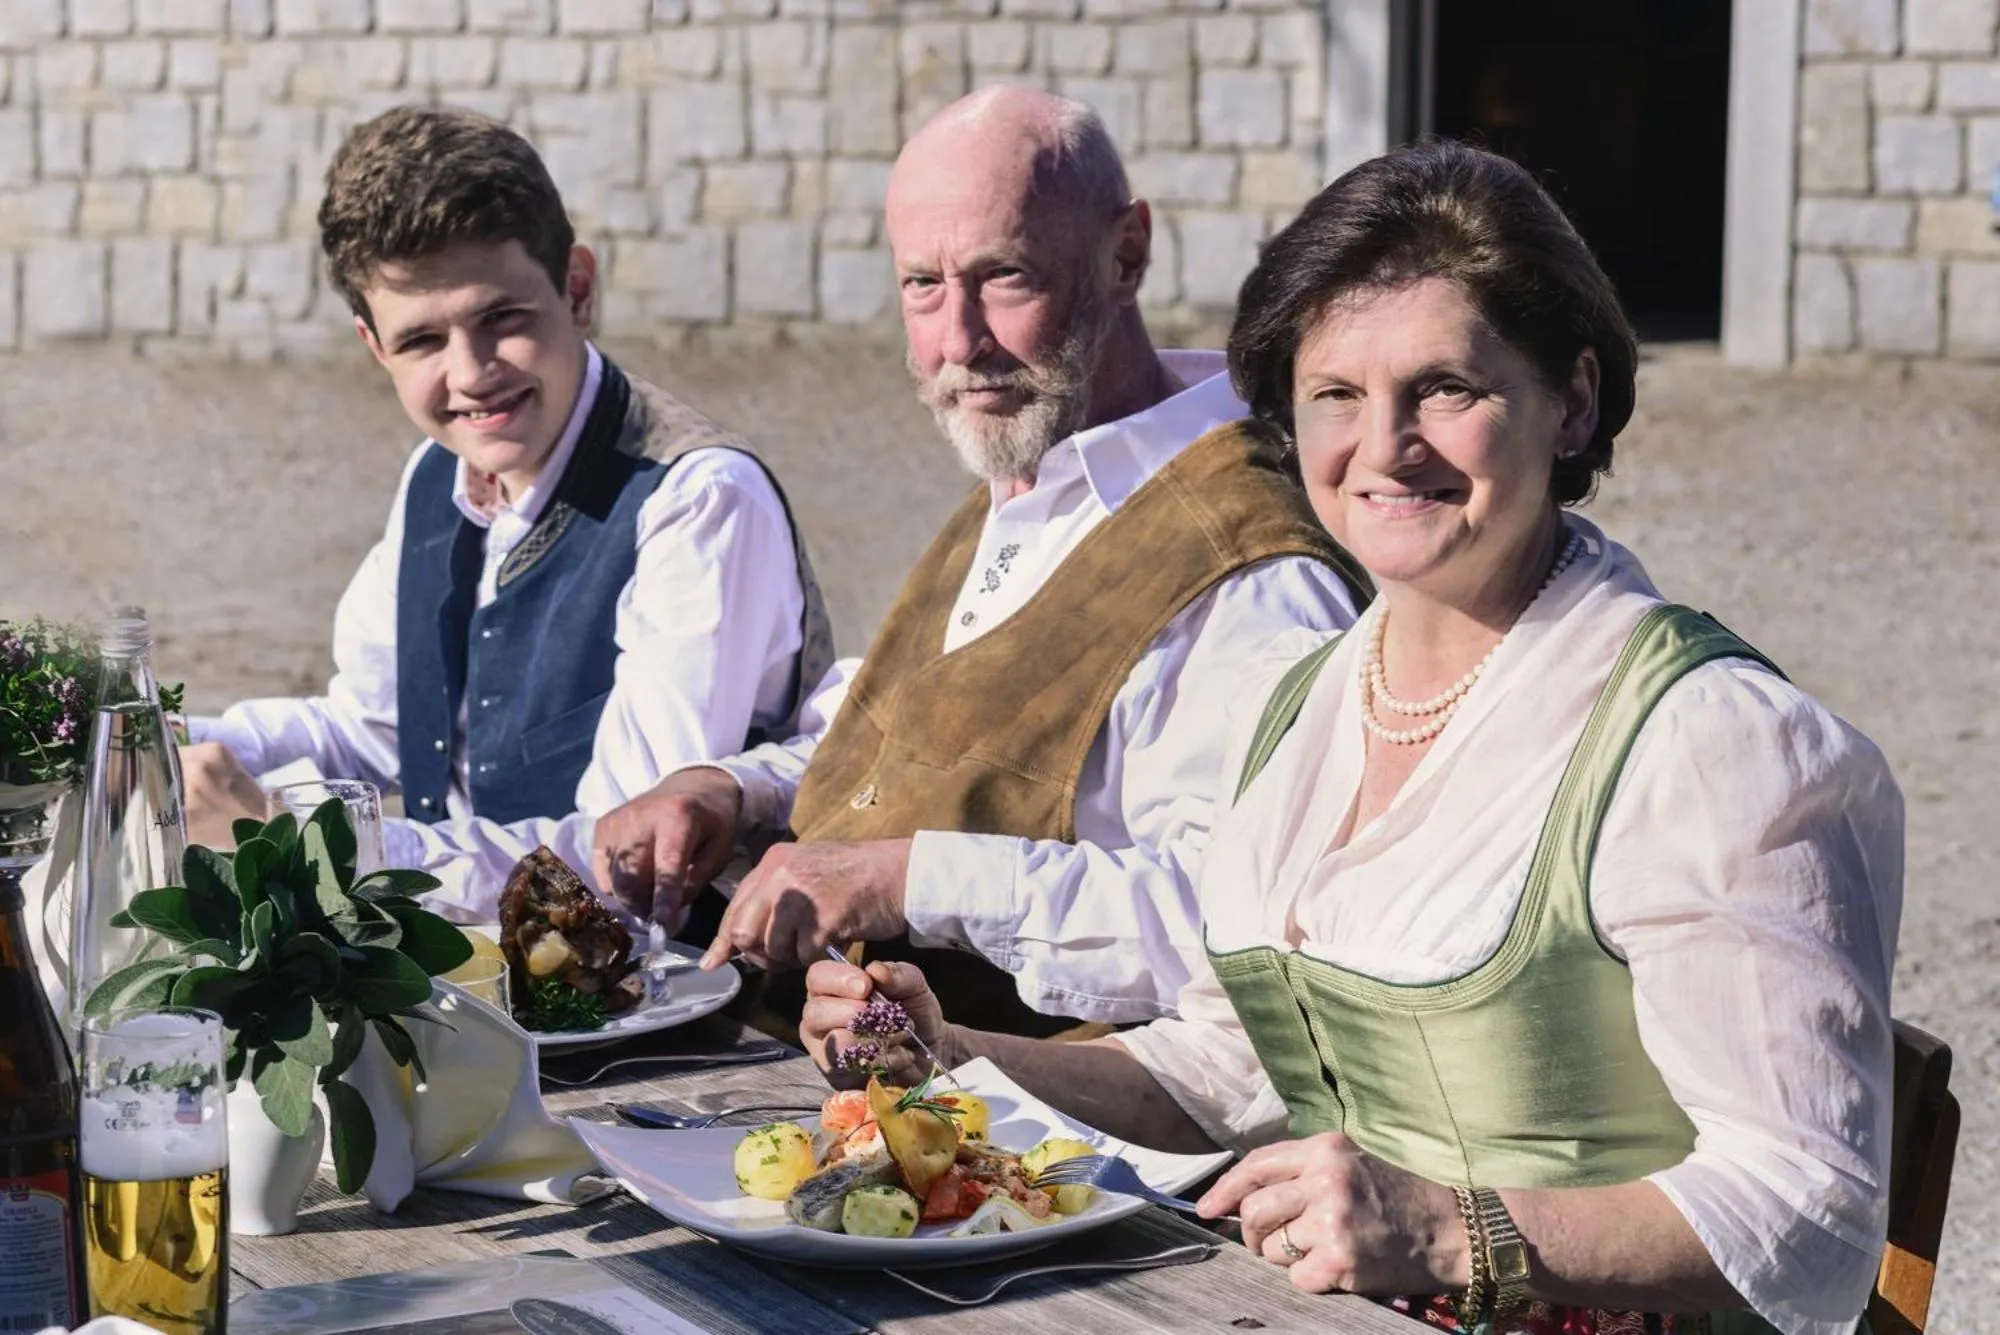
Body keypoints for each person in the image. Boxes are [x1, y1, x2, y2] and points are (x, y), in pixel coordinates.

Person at [798, 139, 1903, 1335]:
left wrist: (1444, 1228)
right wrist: (956, 1056)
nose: (1383, 447)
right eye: (1335, 394)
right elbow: (1230, 1069)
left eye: (1446, 388)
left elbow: (1811, 1215)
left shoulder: (1706, 747)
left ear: (1570, 398)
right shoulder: (1313, 699)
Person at [592, 86, 1369, 1037]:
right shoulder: (1038, 459)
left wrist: (907, 878)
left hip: (1055, 1160)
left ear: (1126, 254)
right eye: (923, 285)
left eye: (1006, 277)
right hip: (842, 1089)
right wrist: (732, 791)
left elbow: (1231, 924)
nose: (960, 342)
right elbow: (915, 747)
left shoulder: (1250, 563)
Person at [178, 106, 832, 922]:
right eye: (421, 341)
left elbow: (618, 867)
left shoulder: (699, 500)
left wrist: (297, 846)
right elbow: (374, 729)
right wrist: (165, 744)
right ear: (373, 346)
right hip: (477, 981)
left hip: (680, 1019)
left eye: (503, 318)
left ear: (578, 289)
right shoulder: (435, 472)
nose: (472, 373)